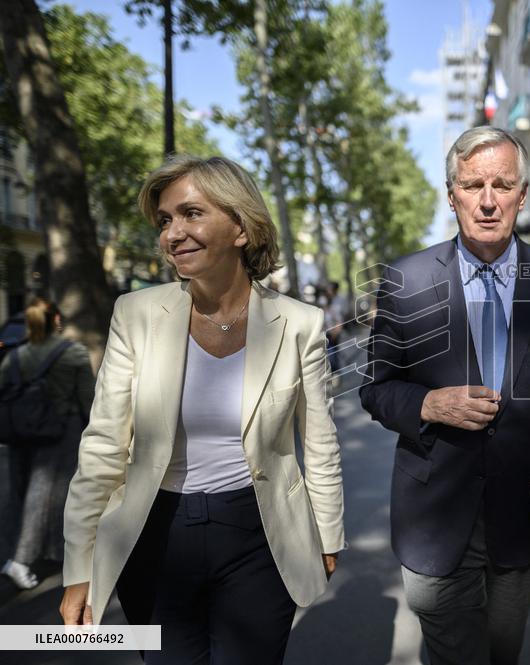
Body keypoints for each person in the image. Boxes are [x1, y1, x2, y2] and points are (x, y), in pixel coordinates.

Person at [59, 156, 346, 664]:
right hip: (154, 534)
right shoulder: (136, 314)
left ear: (241, 226)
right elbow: (103, 445)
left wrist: (327, 533)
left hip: (261, 535)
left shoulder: (299, 324)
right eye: (166, 221)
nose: (173, 234)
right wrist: (77, 564)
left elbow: (319, 442)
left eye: (191, 213)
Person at [359, 126, 530, 665]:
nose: (487, 201)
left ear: (522, 196)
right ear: (451, 193)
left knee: (503, 652)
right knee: (457, 652)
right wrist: (429, 405)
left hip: (526, 517)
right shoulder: (404, 282)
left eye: (502, 185)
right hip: (434, 518)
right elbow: (375, 389)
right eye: (472, 184)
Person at [1, 297, 94, 590]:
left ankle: (44, 551)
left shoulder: (13, 356)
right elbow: (87, 398)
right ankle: (21, 560)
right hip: (59, 431)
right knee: (46, 496)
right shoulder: (73, 353)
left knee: (19, 492)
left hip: (17, 430)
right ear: (55, 320)